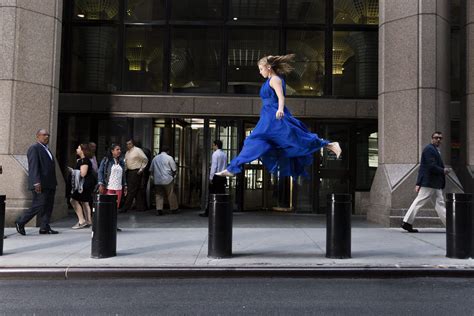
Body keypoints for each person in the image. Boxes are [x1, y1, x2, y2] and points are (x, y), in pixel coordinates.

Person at [216, 54, 341, 178]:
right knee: (256, 141)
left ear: (269, 67)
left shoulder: (275, 80)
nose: (260, 72)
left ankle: (329, 144)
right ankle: (232, 168)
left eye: (261, 69)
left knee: (294, 138)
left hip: (274, 116)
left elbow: (281, 96)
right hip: (267, 116)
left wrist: (280, 109)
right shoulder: (269, 81)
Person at [401, 132, 449, 233]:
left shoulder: (434, 150)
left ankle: (406, 222)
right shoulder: (429, 149)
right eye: (436, 138)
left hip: (434, 183)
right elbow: (429, 166)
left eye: (440, 138)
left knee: (438, 203)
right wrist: (443, 170)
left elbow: (424, 167)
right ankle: (406, 222)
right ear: (432, 139)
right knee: (421, 202)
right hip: (430, 182)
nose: (439, 140)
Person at [15, 129, 58, 235]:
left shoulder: (47, 149)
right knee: (39, 204)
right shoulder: (34, 148)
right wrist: (36, 182)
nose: (47, 137)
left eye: (48, 135)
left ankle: (44, 227)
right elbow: (33, 167)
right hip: (40, 184)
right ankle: (21, 221)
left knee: (48, 205)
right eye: (44, 135)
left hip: (50, 183)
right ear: (37, 136)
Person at [69, 144, 96, 229]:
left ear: (83, 151)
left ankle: (82, 221)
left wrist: (72, 171)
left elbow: (83, 174)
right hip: (85, 184)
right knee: (85, 202)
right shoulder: (82, 160)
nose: (77, 149)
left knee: (73, 200)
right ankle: (88, 221)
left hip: (84, 185)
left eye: (78, 148)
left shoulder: (84, 161)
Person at [199, 140, 227, 217]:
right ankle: (221, 211)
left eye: (213, 145)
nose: (212, 146)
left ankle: (209, 212)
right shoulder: (224, 154)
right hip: (223, 176)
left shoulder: (215, 154)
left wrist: (211, 178)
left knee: (212, 195)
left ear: (216, 145)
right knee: (221, 194)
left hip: (216, 177)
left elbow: (214, 167)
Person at [150, 145, 179, 216]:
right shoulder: (169, 158)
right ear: (168, 151)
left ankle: (159, 209)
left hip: (157, 180)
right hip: (167, 179)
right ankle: (173, 209)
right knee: (171, 193)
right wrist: (174, 176)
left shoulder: (155, 158)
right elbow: (174, 169)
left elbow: (151, 169)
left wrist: (153, 177)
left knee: (159, 195)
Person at [98, 144, 128, 210]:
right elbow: (100, 171)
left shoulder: (121, 161)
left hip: (118, 187)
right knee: (108, 206)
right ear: (112, 151)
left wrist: (125, 185)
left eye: (120, 149)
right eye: (117, 149)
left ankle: (113, 220)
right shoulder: (106, 160)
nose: (119, 151)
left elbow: (123, 175)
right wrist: (100, 183)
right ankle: (107, 220)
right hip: (109, 186)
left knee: (116, 207)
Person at [123, 139, 148, 212]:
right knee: (137, 190)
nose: (128, 145)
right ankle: (141, 207)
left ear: (133, 144)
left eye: (130, 144)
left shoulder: (138, 150)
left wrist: (141, 169)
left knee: (131, 190)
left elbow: (145, 159)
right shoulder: (127, 152)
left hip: (135, 171)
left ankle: (125, 207)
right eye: (127, 144)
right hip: (129, 171)